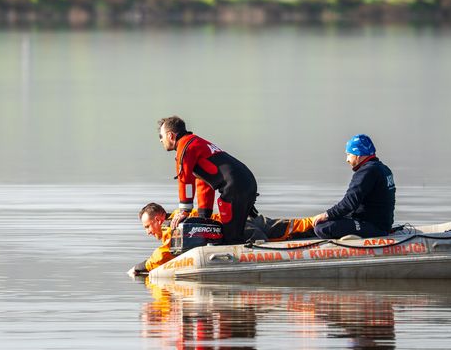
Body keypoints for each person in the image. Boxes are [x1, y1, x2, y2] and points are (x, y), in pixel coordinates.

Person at [128, 202, 315, 276]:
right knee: (293, 226)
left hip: (242, 232)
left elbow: (161, 256)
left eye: (148, 226)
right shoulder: (181, 215)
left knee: (286, 234)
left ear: (159, 219)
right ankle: (324, 221)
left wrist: (138, 268)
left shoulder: (173, 228)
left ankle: (326, 228)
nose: (148, 232)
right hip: (241, 219)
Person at [158, 116, 258, 245]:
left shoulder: (185, 147)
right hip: (245, 182)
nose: (161, 140)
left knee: (231, 238)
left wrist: (184, 211)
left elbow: (185, 181)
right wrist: (204, 215)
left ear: (170, 135)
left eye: (161, 136)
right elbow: (204, 183)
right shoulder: (195, 142)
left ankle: (239, 257)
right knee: (235, 231)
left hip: (235, 187)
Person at [311, 134, 395, 239]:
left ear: (358, 154)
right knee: (322, 222)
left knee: (321, 228)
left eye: (349, 154)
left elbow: (349, 203)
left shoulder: (367, 171)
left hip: (374, 227)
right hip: (381, 224)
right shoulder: (383, 169)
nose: (347, 159)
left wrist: (327, 214)